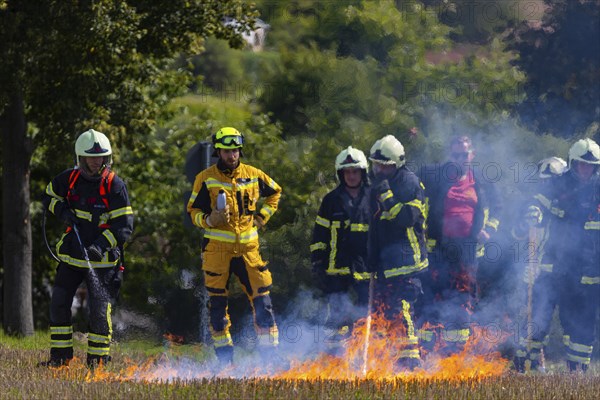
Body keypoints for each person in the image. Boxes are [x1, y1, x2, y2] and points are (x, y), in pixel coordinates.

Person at [187, 127, 283, 368]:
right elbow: (193, 211)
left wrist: (262, 217)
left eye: (236, 150)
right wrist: (209, 220)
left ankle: (270, 359)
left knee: (263, 302)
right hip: (217, 251)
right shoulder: (205, 178)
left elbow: (275, 193)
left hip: (249, 251)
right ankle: (225, 363)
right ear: (218, 151)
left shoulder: (253, 174)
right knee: (217, 307)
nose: (232, 155)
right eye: (227, 151)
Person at [40, 129, 134, 368]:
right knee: (60, 302)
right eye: (91, 157)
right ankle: (60, 360)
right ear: (80, 158)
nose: (96, 161)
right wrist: (62, 211)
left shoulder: (115, 185)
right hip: (72, 256)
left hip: (102, 262)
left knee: (99, 312)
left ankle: (98, 363)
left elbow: (124, 227)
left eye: (101, 157)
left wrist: (100, 247)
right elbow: (49, 195)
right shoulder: (68, 179)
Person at [417, 135, 501, 355]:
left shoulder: (481, 179)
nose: (460, 159)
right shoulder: (436, 175)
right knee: (434, 297)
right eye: (456, 155)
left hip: (467, 250)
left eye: (464, 154)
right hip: (439, 249)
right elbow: (412, 186)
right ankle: (427, 351)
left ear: (472, 154)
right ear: (449, 156)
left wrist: (489, 229)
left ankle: (453, 354)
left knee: (462, 299)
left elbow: (498, 207)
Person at [523, 138, 600, 372]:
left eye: (591, 166)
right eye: (581, 165)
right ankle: (528, 365)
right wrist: (533, 212)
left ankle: (578, 372)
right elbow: (537, 202)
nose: (586, 170)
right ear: (572, 163)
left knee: (583, 326)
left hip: (590, 272)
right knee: (544, 317)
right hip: (557, 267)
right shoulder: (559, 185)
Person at [367, 135, 428, 370]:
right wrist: (371, 260)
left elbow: (406, 218)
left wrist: (387, 195)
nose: (378, 169)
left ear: (396, 164)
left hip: (408, 261)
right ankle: (393, 357)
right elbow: (374, 227)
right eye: (375, 165)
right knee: (385, 311)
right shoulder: (377, 186)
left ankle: (411, 359)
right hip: (385, 264)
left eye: (384, 165)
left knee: (402, 306)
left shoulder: (409, 183)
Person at [310, 146, 371, 355]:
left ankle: (364, 355)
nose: (351, 176)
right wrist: (318, 262)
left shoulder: (373, 198)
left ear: (362, 172)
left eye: (355, 171)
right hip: (337, 268)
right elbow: (319, 235)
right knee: (337, 316)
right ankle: (335, 358)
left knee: (366, 314)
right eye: (347, 172)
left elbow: (381, 234)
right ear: (341, 174)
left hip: (365, 268)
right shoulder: (331, 200)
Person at [512, 156, 568, 372]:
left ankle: (535, 360)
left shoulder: (563, 202)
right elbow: (516, 234)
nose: (548, 185)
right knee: (534, 318)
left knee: (548, 321)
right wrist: (527, 222)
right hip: (537, 273)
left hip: (560, 272)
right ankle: (522, 363)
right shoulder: (534, 203)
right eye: (546, 181)